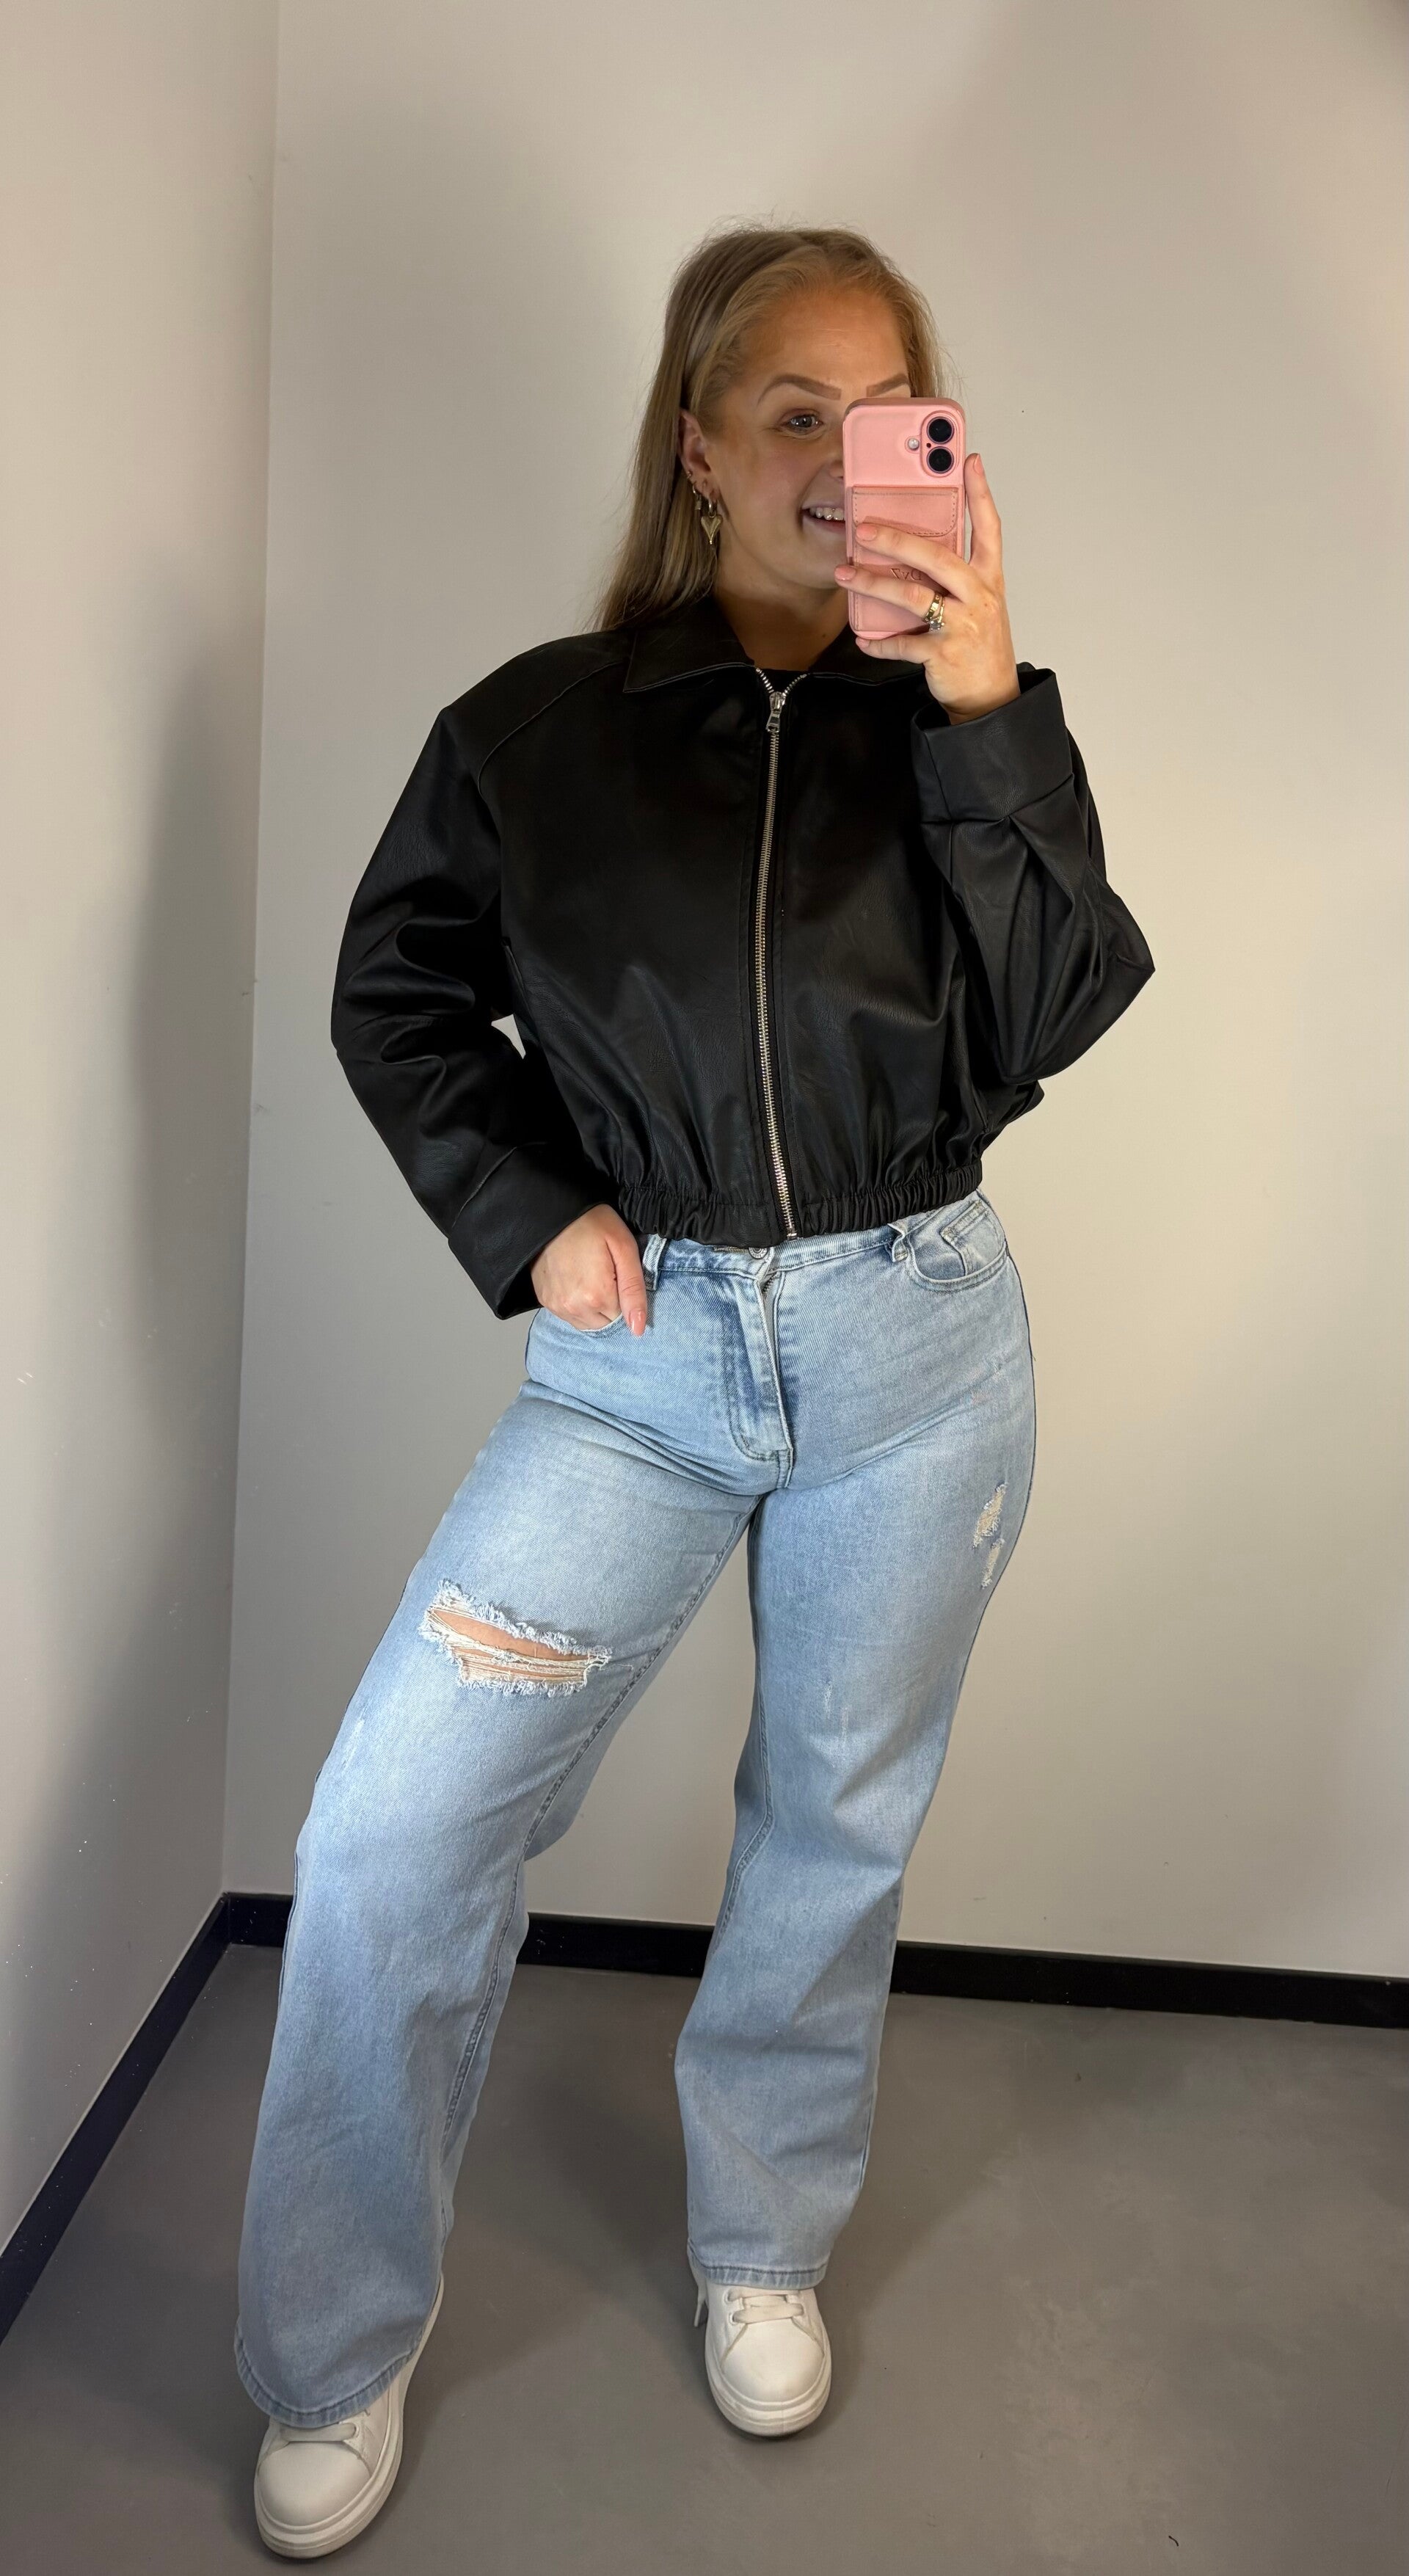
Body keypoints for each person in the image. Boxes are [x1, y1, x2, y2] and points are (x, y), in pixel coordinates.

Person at [234, 220, 1154, 2558]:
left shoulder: (958, 716)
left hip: (917, 1340)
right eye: (793, 415)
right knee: (394, 1827)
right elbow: (395, 994)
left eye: (889, 417)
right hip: (637, 1365)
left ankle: (763, 2242)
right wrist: (532, 1206)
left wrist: (987, 710)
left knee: (831, 1820)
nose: (846, 464)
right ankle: (332, 2345)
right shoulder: (534, 733)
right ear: (700, 447)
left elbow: (1057, 1008)